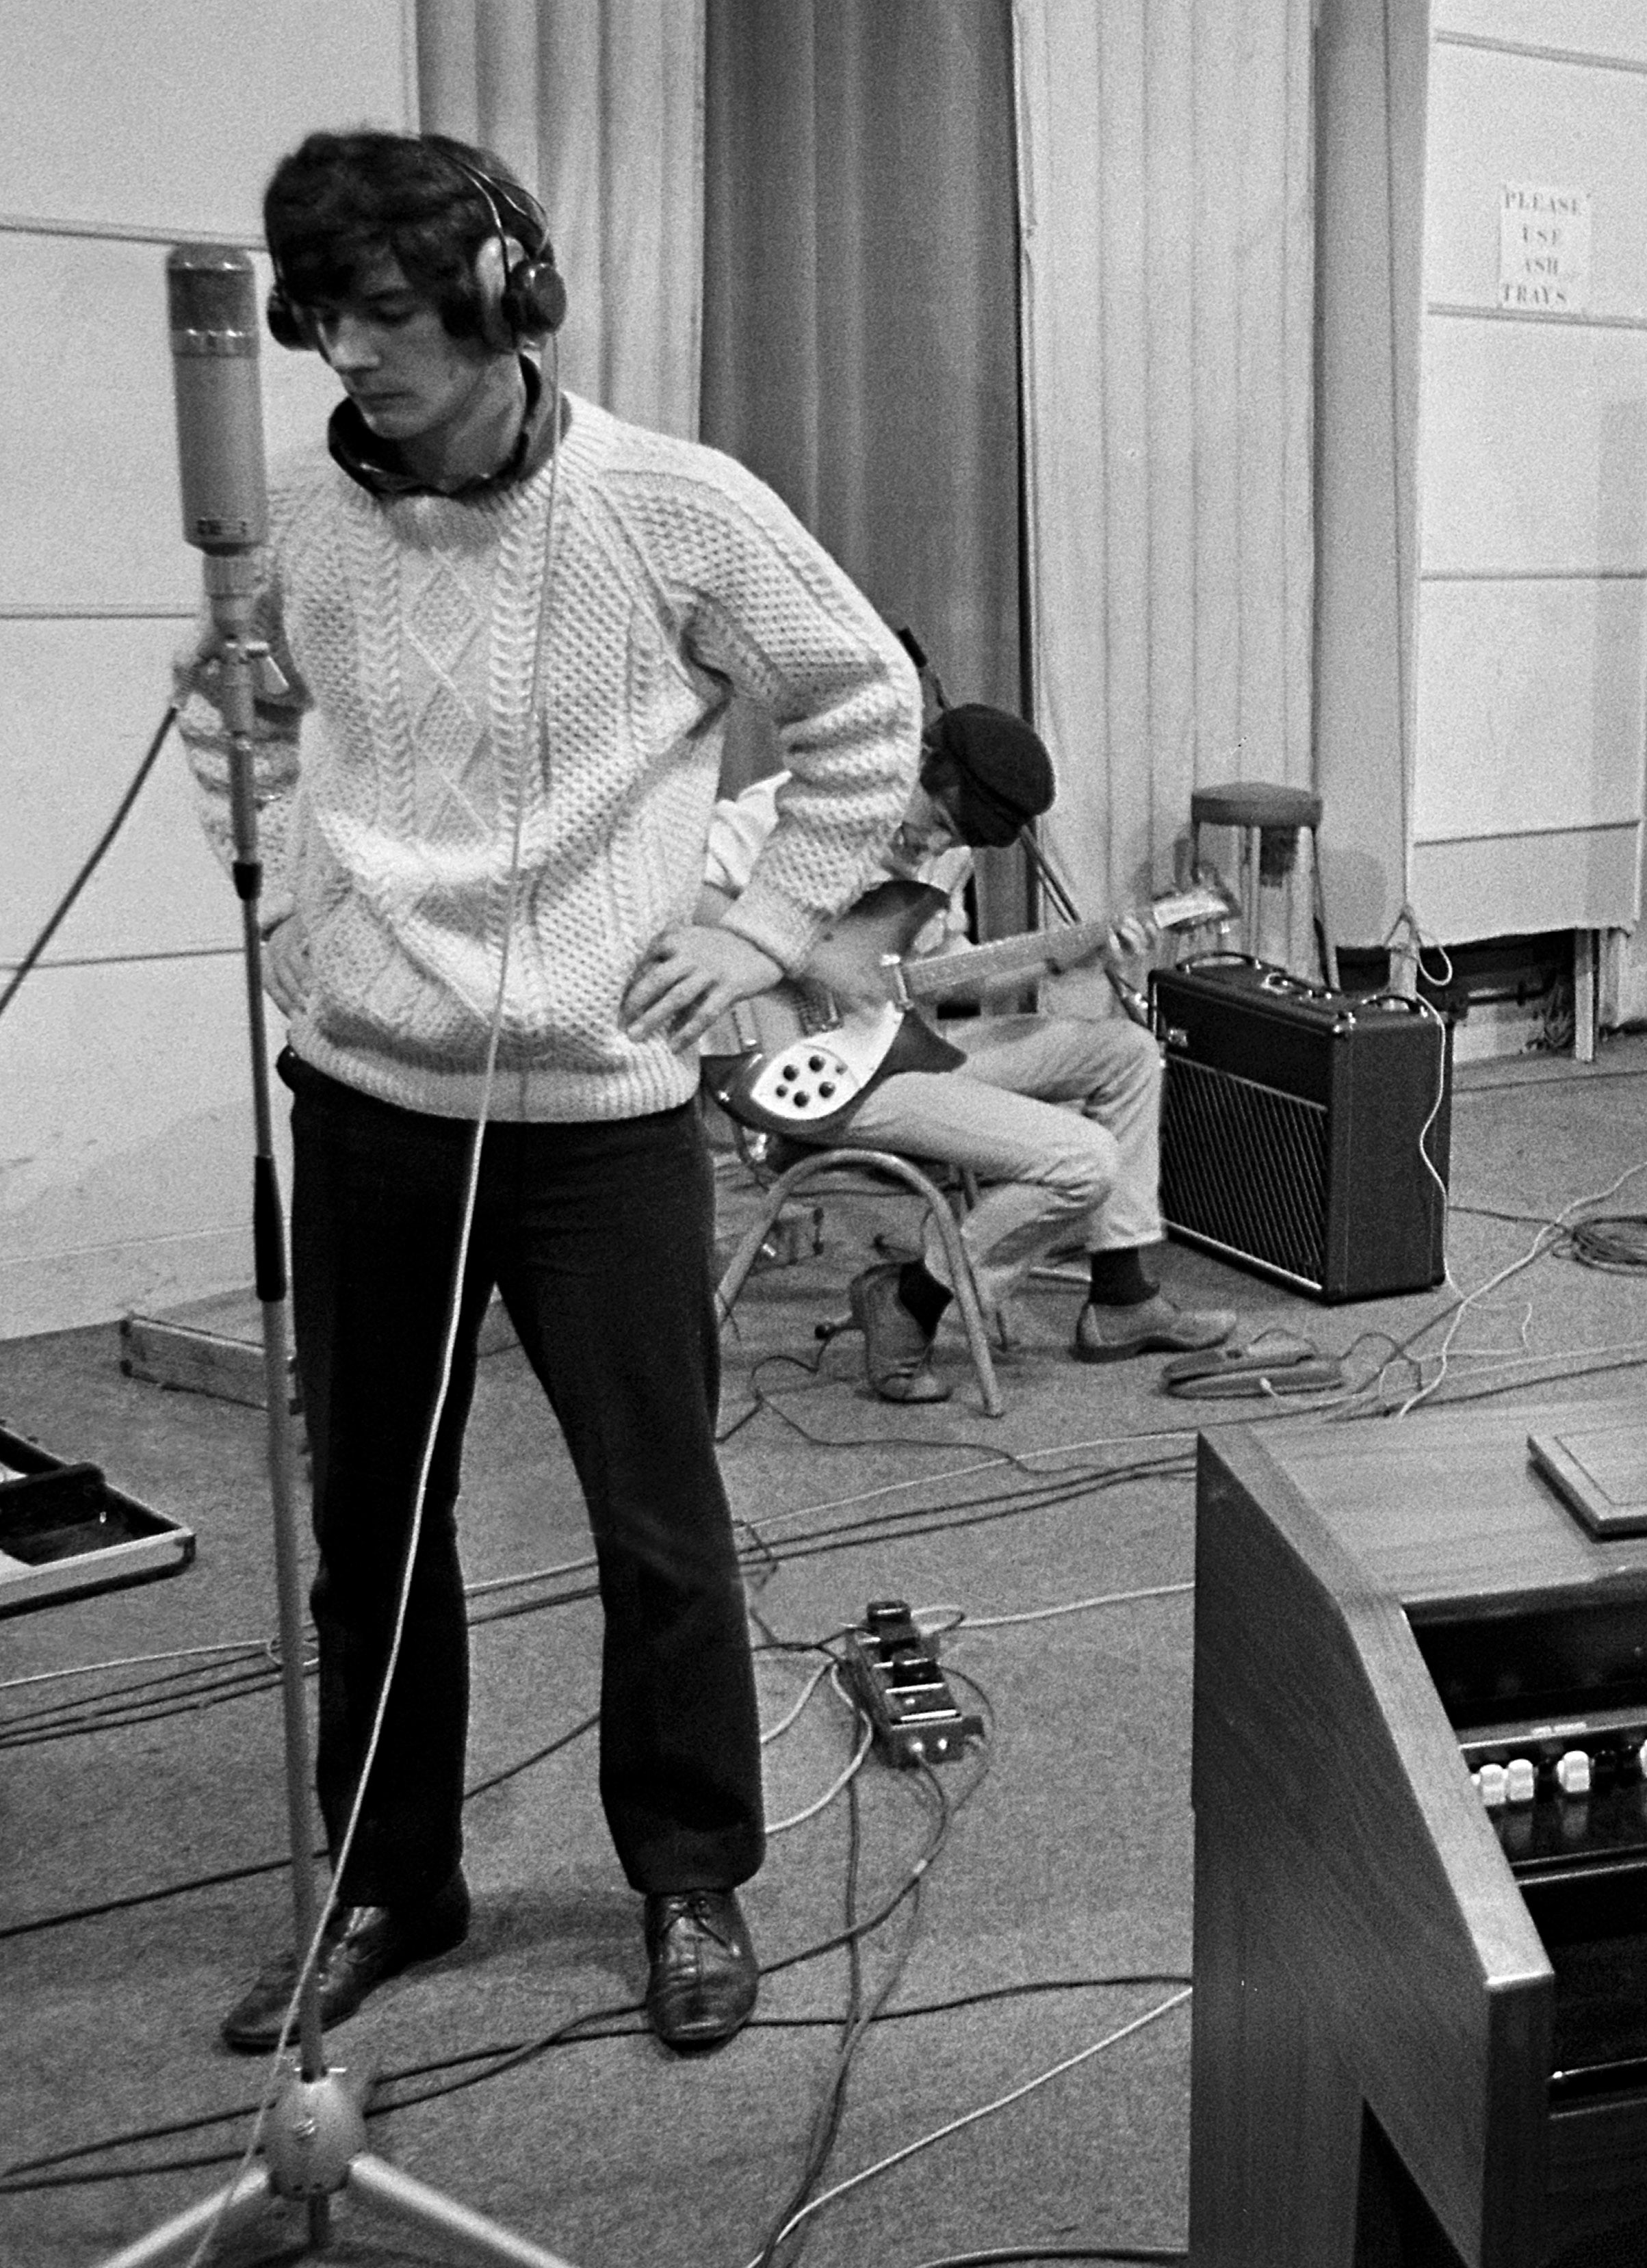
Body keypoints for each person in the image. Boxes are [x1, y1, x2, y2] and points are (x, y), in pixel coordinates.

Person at [177, 129, 920, 2056]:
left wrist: (761, 932)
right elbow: (265, 739)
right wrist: (280, 865)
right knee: (371, 1526)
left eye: (398, 315)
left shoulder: (669, 508)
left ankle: (689, 1876)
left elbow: (863, 706)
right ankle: (388, 1880)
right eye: (325, 316)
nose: (354, 355)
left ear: (512, 302)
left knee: (655, 1523)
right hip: (360, 1102)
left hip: (594, 1124)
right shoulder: (294, 518)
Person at [701, 702, 1236, 1401]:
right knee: (1082, 1160)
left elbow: (959, 976)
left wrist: (1067, 960)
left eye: (953, 840)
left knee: (1127, 1052)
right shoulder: (803, 810)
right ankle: (914, 1299)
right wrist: (817, 964)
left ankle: (1120, 1294)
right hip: (807, 1070)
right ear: (923, 767)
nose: (933, 848)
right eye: (940, 825)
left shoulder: (945, 855)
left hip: (902, 1048)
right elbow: (691, 896)